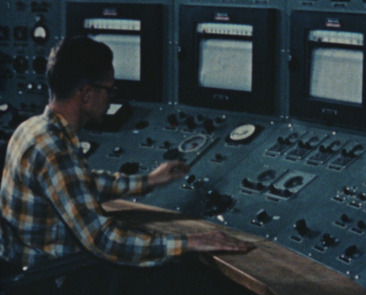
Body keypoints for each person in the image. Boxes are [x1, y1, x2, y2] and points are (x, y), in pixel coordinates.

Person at [0, 36, 254, 270]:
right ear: (87, 94)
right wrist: (187, 242)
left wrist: (147, 181)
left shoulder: (32, 128)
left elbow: (78, 184)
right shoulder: (54, 149)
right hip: (52, 285)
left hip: (26, 270)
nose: (111, 98)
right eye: (110, 90)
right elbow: (104, 240)